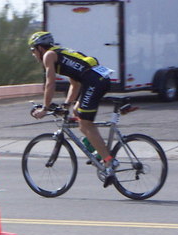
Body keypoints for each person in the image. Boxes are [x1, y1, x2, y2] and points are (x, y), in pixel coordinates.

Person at [28, 31, 118, 188]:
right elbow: (75, 84)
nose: (33, 54)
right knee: (77, 111)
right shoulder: (61, 53)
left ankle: (109, 163)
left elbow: (50, 83)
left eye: (32, 50)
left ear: (40, 48)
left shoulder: (49, 56)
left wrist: (45, 108)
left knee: (85, 123)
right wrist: (67, 105)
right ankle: (96, 148)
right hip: (97, 78)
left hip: (94, 81)